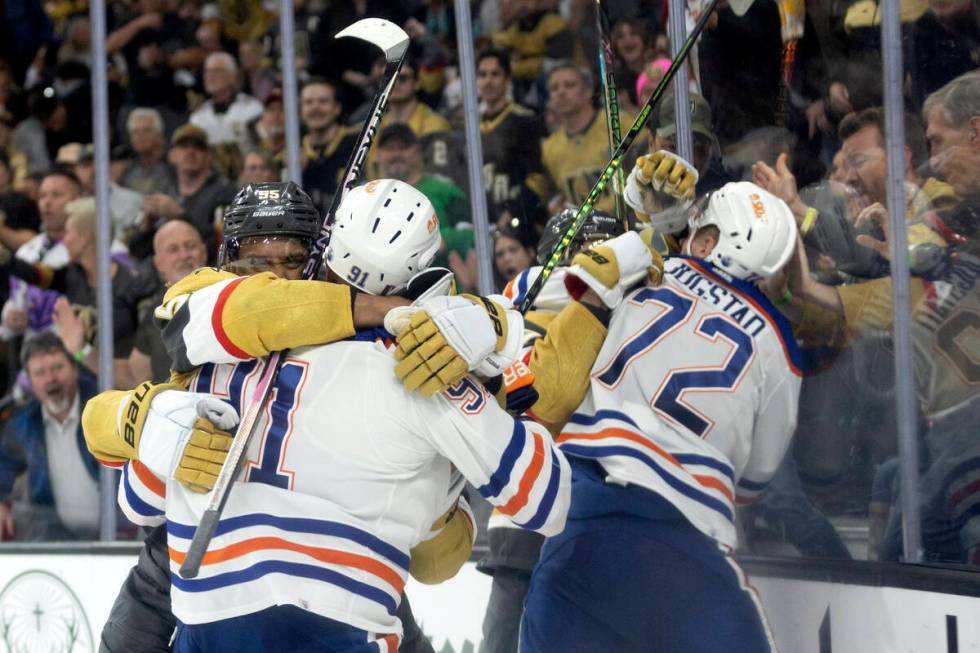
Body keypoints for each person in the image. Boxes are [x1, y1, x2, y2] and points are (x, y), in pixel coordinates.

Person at [88, 179, 571, 652]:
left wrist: (485, 331)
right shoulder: (209, 305)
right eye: (255, 261)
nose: (273, 276)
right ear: (226, 258)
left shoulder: (237, 353)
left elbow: (138, 498)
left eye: (292, 260)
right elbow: (536, 500)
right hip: (198, 579)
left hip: (228, 597)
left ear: (321, 259)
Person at [520, 181, 802, 651]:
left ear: (709, 240)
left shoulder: (647, 270)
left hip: (580, 527)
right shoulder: (779, 343)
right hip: (688, 544)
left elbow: (527, 290)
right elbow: (756, 481)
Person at [0, 332, 100, 541]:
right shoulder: (25, 423)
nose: (50, 379)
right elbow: (3, 463)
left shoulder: (103, 405)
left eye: (57, 368)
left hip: (119, 536)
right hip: (58, 540)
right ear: (29, 381)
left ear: (74, 369)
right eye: (40, 372)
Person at [375, 124, 473, 272]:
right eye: (389, 149)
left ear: (419, 151)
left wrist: (442, 239)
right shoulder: (371, 195)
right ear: (378, 155)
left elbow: (474, 234)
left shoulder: (446, 190)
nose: (396, 154)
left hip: (443, 285)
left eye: (403, 147)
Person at [132, 124, 236, 261]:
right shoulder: (164, 191)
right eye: (183, 146)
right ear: (172, 155)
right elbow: (137, 251)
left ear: (209, 156)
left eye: (198, 147)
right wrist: (147, 226)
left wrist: (179, 215)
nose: (190, 152)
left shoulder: (224, 192)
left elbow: (222, 246)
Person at [0, 169, 79, 340]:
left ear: (78, 201)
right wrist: (9, 318)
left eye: (56, 195)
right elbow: (16, 300)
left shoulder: (92, 250)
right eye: (42, 196)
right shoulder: (27, 251)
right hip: (33, 355)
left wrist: (7, 260)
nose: (47, 202)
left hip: (78, 353)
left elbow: (53, 278)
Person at [129, 219, 208, 384]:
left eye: (190, 246)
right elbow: (137, 373)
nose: (184, 255)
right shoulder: (154, 312)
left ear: (204, 252)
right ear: (158, 263)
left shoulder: (227, 296)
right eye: (173, 249)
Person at [477, 49, 548, 213]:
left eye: (495, 74)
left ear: (507, 80)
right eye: (482, 75)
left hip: (520, 217)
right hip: (482, 216)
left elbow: (537, 179)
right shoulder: (470, 126)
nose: (488, 81)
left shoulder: (526, 120)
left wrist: (512, 215)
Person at [189, 51, 264, 179]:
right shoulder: (197, 118)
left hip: (249, 178)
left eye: (217, 71)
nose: (210, 76)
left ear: (233, 76)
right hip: (211, 183)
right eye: (207, 71)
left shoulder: (252, 108)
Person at [299, 78, 359, 214]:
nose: (315, 108)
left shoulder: (358, 143)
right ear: (300, 111)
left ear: (337, 108)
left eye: (323, 101)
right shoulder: (292, 152)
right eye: (309, 102)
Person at [120, 107, 177, 196]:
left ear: (160, 135)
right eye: (135, 132)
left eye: (146, 131)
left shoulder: (174, 167)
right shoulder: (129, 171)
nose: (140, 136)